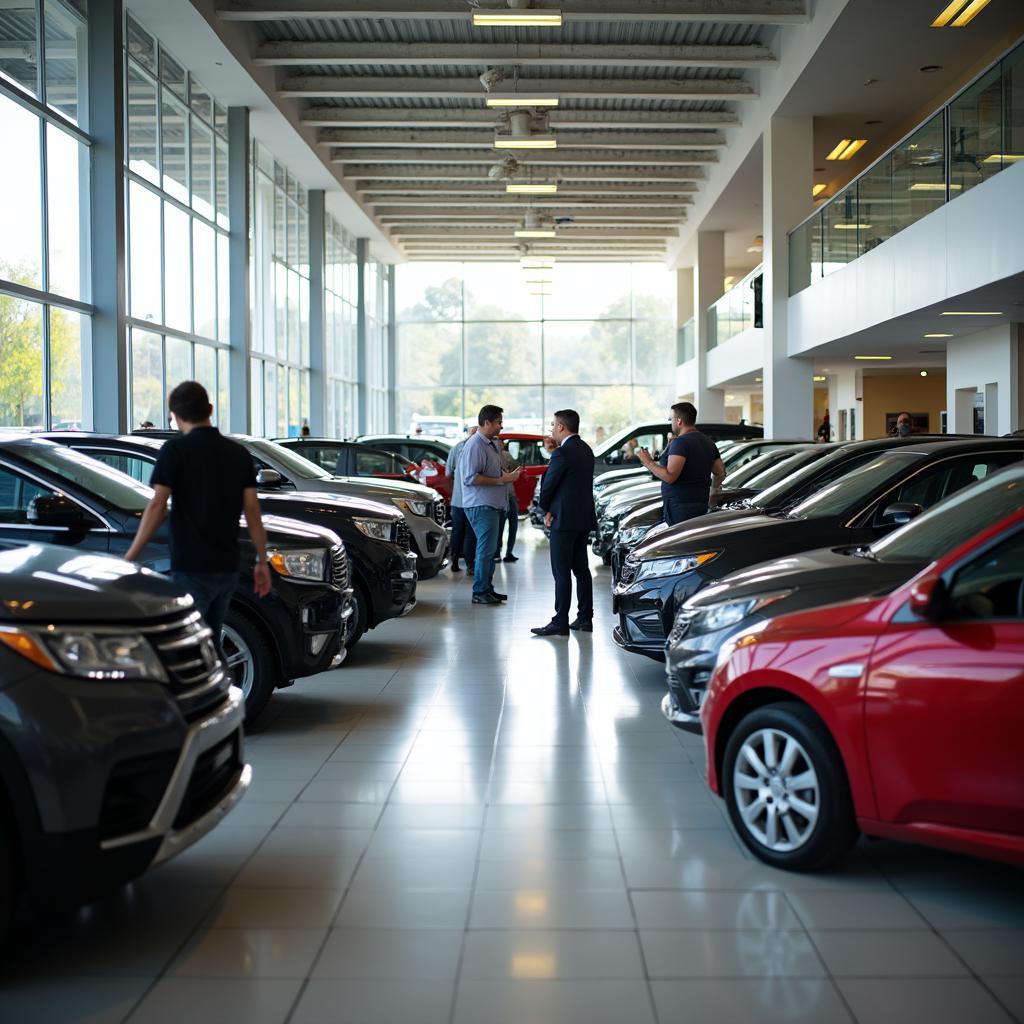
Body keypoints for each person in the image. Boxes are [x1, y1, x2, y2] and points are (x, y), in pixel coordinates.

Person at [125, 381, 271, 662]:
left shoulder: (175, 450)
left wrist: (132, 554)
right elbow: (252, 510)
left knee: (189, 646)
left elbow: (157, 505)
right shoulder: (237, 453)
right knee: (211, 640)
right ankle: (218, 694)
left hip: (191, 565)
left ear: (175, 416)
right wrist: (262, 561)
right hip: (227, 566)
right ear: (210, 410)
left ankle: (202, 700)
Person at [531, 409, 597, 637]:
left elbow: (549, 485)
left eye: (552, 425)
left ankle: (560, 621)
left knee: (561, 572)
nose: (551, 429)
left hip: (563, 519)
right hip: (582, 518)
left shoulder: (562, 453)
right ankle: (585, 617)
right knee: (581, 569)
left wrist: (545, 509)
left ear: (561, 427)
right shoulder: (586, 449)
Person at [460, 405, 521, 605]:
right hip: (481, 505)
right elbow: (470, 478)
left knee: (490, 551)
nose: (501, 427)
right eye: (498, 422)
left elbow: (495, 472)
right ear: (487, 422)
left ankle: (487, 588)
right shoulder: (475, 445)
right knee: (485, 551)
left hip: (493, 504)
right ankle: (479, 591)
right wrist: (502, 480)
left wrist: (508, 477)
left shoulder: (491, 444)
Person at [638, 401, 725, 527]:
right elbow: (720, 472)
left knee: (679, 544)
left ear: (679, 421)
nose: (671, 423)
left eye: (671, 419)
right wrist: (713, 491)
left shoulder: (681, 442)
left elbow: (670, 476)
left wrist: (649, 463)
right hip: (701, 504)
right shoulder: (708, 442)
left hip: (680, 507)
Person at [446, 425, 478, 573]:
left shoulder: (456, 448)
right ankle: (470, 565)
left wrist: (457, 480)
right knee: (470, 533)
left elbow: (448, 473)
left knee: (457, 532)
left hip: (457, 499)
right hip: (472, 500)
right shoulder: (478, 448)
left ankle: (454, 562)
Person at [494, 437, 520, 563]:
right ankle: (497, 552)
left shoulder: (506, 455)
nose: (501, 445)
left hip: (510, 495)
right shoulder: (492, 457)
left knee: (513, 525)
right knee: (500, 526)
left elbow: (517, 468)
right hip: (500, 496)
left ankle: (508, 552)